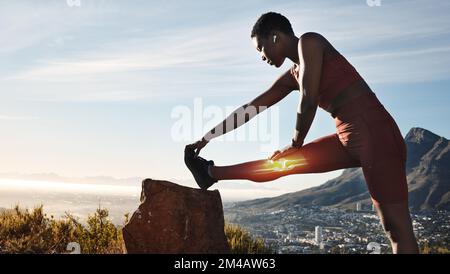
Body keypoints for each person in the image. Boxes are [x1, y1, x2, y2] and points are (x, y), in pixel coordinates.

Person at [184, 12, 419, 254]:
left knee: (395, 228)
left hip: (376, 133)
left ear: (275, 37)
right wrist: (206, 138)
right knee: (281, 163)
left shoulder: (310, 42)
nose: (262, 57)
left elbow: (308, 100)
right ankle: (210, 173)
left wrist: (296, 143)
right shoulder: (293, 75)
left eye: (260, 49)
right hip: (346, 136)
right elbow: (250, 109)